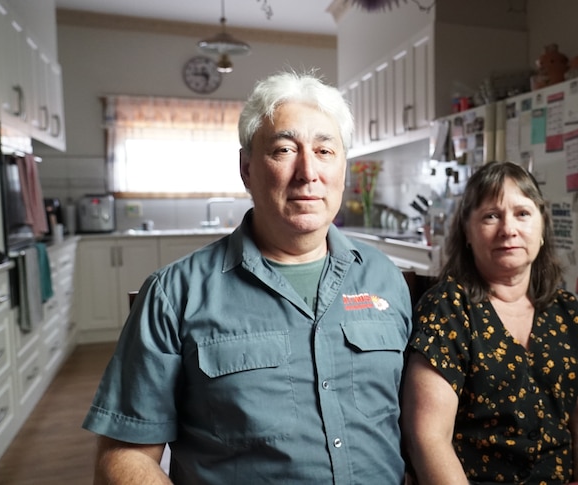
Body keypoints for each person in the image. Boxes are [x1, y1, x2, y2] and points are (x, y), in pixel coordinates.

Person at [82, 71, 413, 484]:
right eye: (284, 149)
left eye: (325, 150)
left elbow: (420, 430)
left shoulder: (386, 280)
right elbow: (124, 457)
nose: (308, 171)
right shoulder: (173, 295)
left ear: (343, 166)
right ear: (247, 169)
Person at [402, 161, 578, 484]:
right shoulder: (447, 310)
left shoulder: (567, 312)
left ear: (542, 226)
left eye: (522, 213)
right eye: (491, 216)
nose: (508, 229)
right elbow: (429, 438)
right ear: (467, 232)